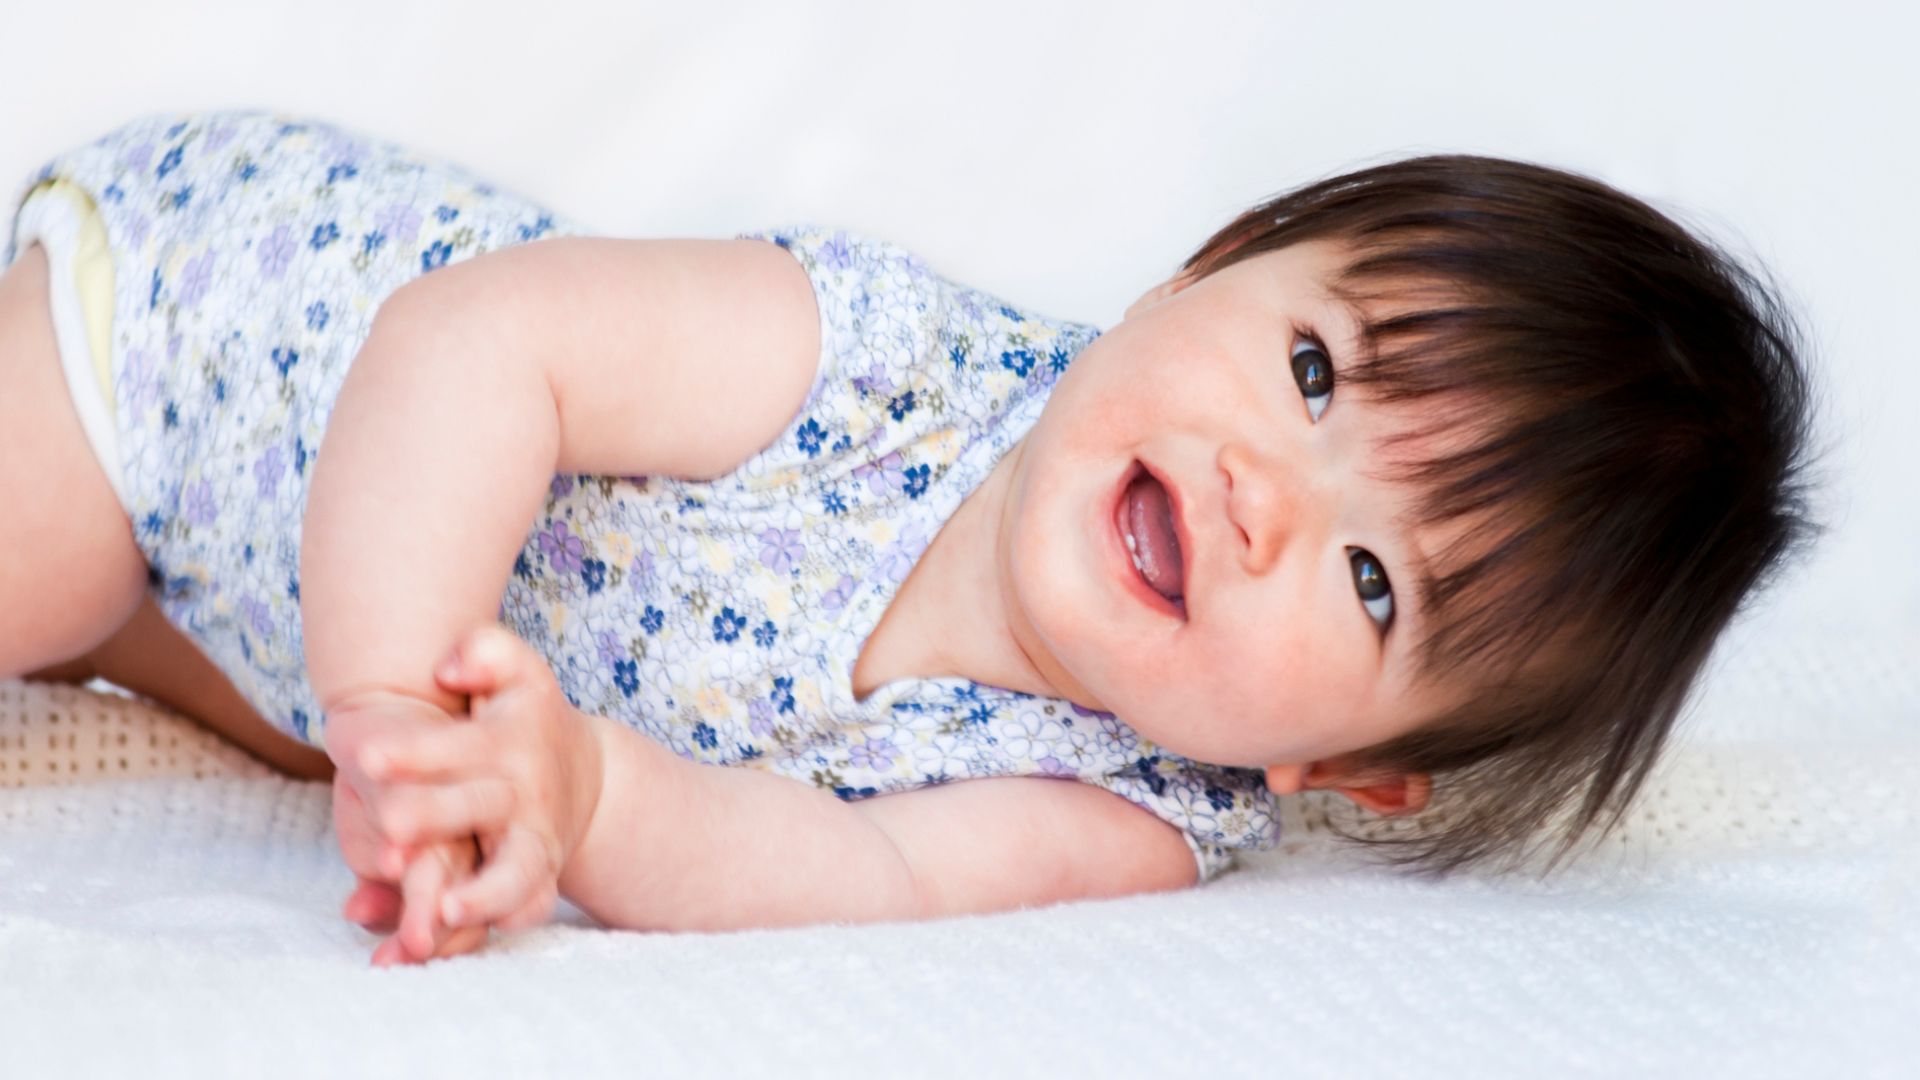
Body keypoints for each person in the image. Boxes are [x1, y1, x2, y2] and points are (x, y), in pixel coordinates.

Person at [0, 109, 1819, 966]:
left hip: (319, 619)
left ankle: (177, 634)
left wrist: (575, 798)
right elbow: (478, 345)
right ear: (1208, 266)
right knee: (49, 562)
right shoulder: (879, 364)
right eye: (1312, 369)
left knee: (175, 654)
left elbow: (846, 875)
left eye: (1373, 581)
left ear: (1359, 766)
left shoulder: (1128, 824)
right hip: (214, 342)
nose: (1274, 492)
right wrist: (393, 696)